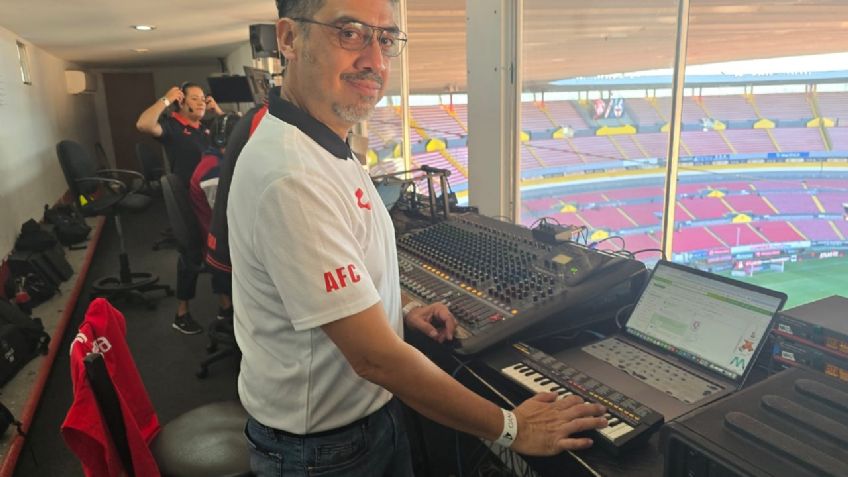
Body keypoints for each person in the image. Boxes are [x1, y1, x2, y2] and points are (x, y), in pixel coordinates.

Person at [227, 0, 608, 475]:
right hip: (322, 452)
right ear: (288, 39)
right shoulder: (291, 175)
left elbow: (351, 273)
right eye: (349, 32)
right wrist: (512, 427)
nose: (375, 60)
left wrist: (402, 308)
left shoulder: (323, 141)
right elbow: (374, 358)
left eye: (385, 39)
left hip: (359, 426)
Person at [166, 113, 241, 335]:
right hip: (219, 244)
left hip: (215, 236)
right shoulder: (214, 172)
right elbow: (226, 218)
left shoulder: (214, 160)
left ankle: (227, 308)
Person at [135, 82, 225, 184]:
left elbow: (238, 134)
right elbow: (143, 124)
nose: (201, 103)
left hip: (217, 183)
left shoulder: (206, 125)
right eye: (194, 99)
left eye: (203, 99)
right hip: (195, 190)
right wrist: (166, 99)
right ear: (181, 102)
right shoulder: (171, 126)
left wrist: (218, 110)